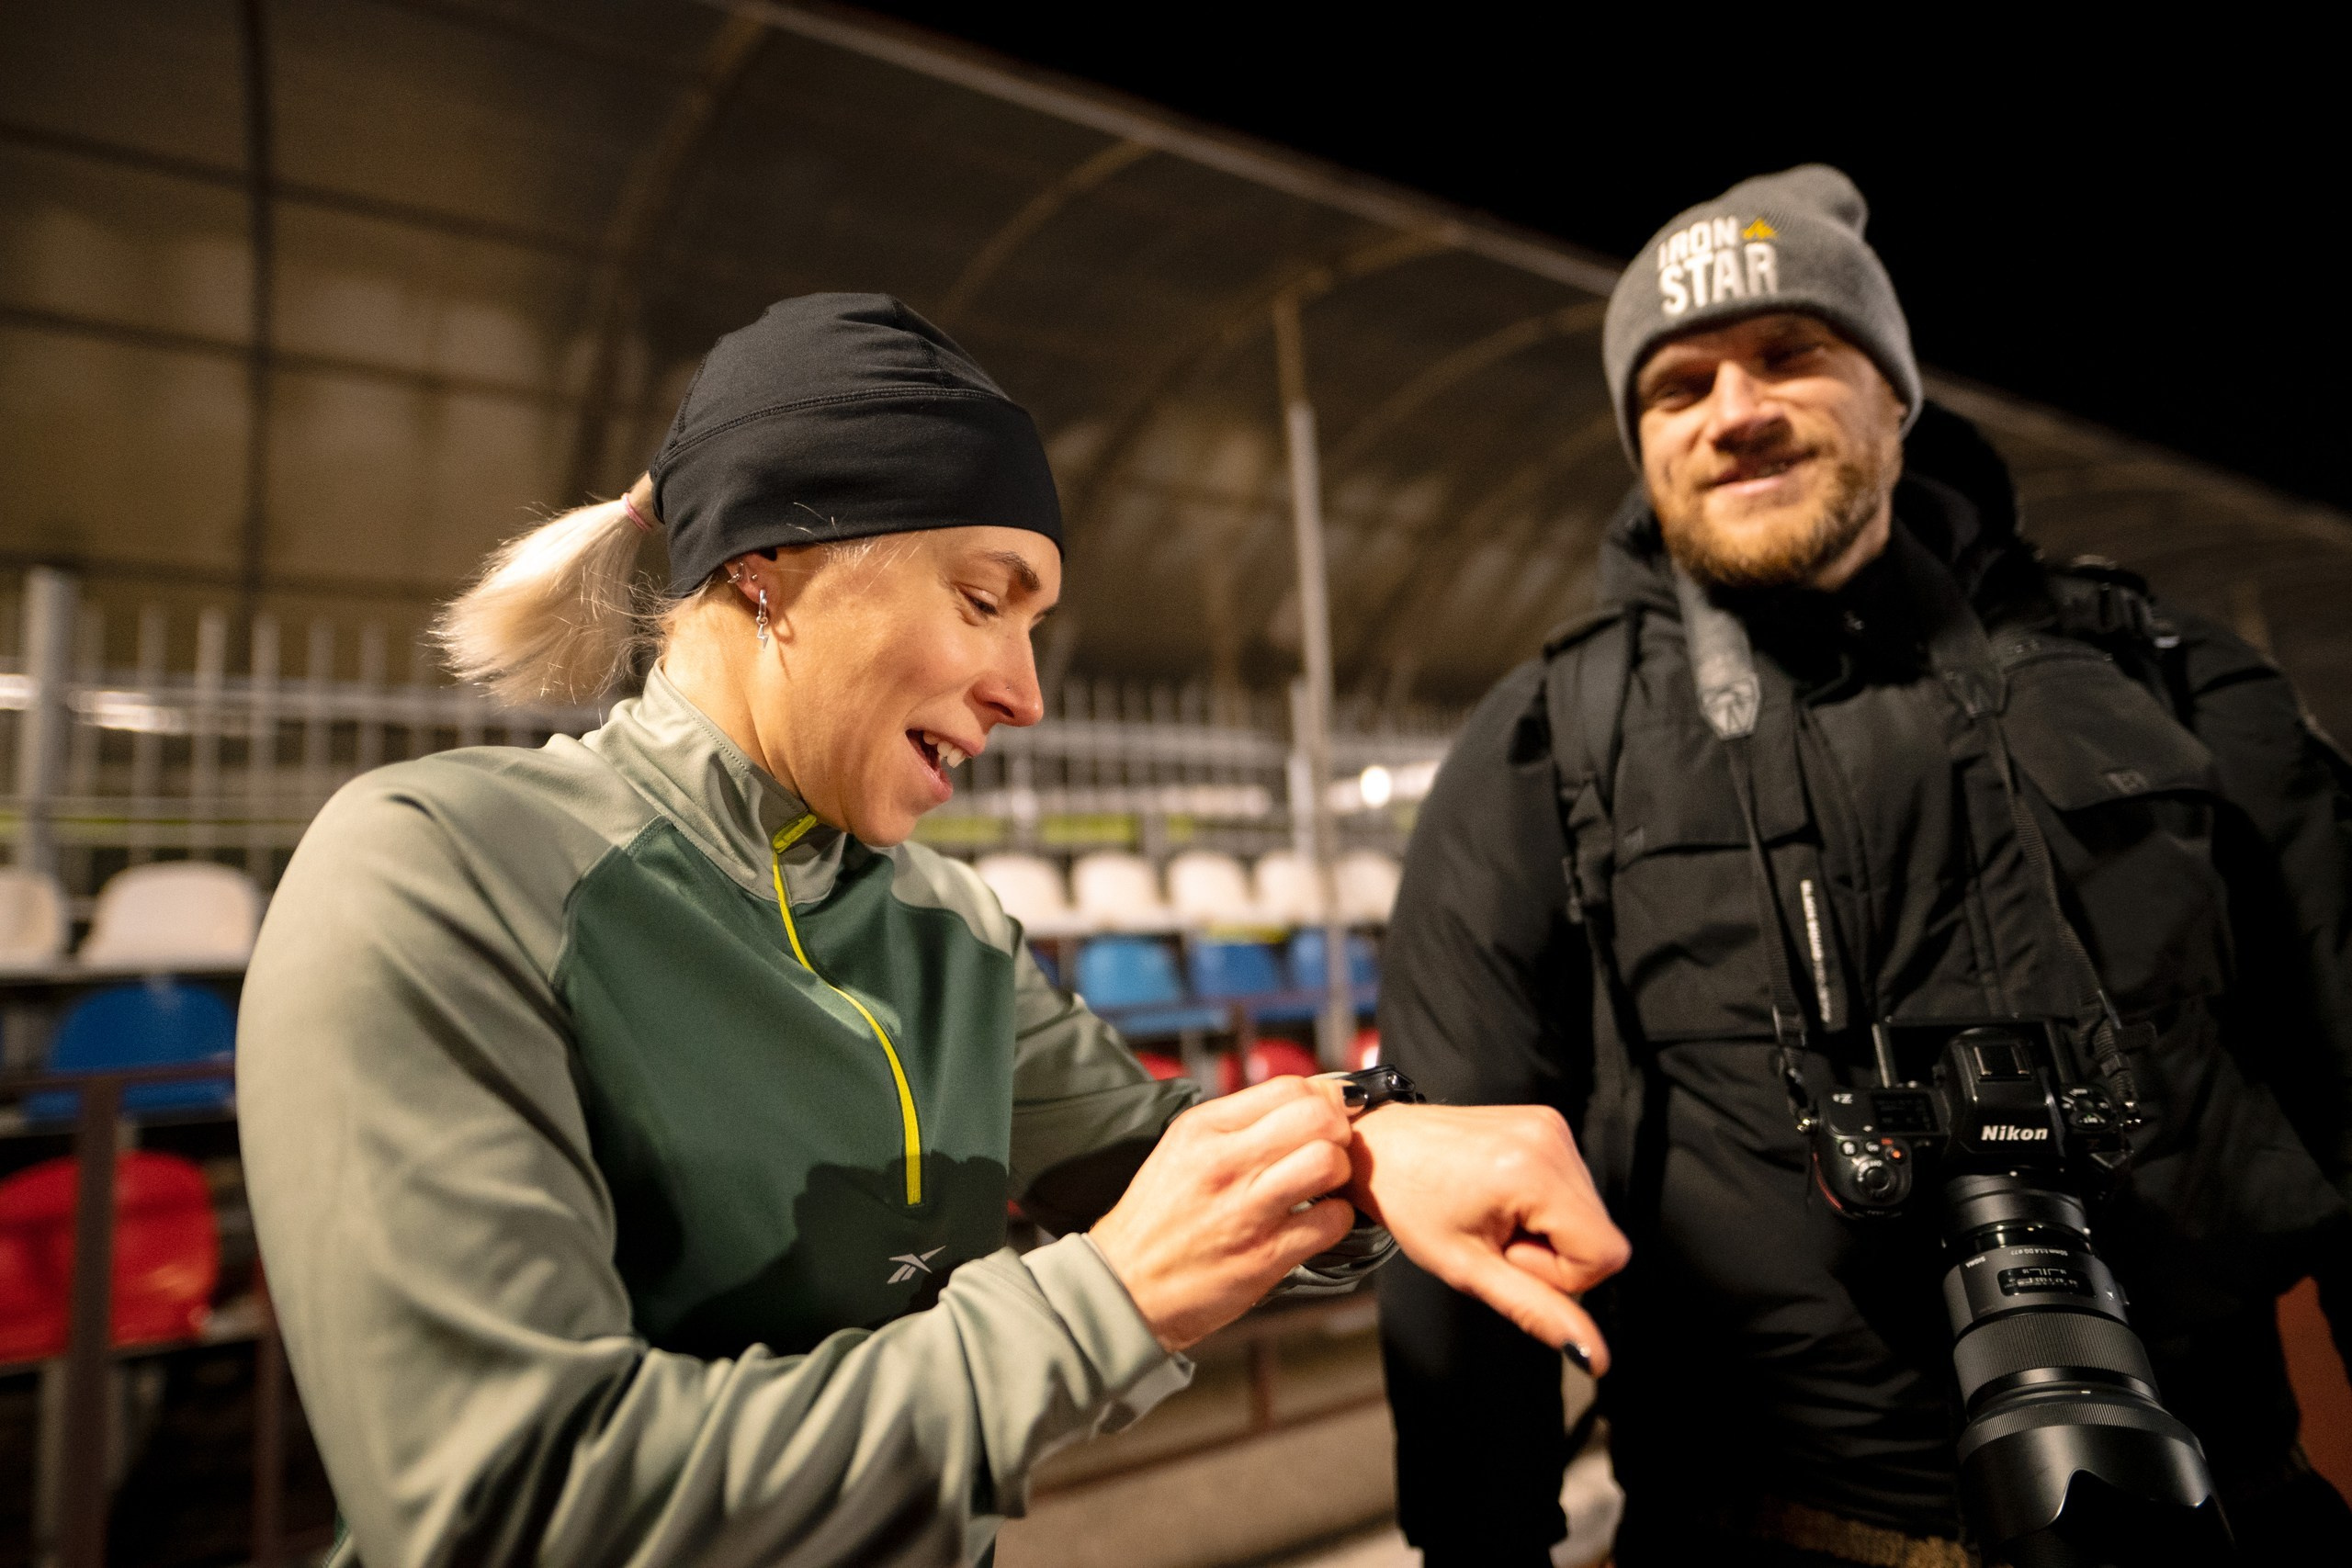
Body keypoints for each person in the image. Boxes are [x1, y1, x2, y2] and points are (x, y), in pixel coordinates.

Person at [239, 293, 1628, 1568]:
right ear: (771, 567)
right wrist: (1102, 1308)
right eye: (982, 600)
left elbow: (1149, 1156)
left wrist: (1370, 1144)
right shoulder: (437, 873)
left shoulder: (943, 924)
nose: (1027, 693)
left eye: (1036, 624)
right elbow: (503, 1503)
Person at [1377, 166, 2352, 1565]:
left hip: (2233, 1507)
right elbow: (1461, 1200)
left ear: (1894, 393)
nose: (1735, 410)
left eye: (1790, 355)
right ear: (1642, 443)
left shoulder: (2170, 681)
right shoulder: (1546, 744)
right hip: (1778, 1530)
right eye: (1678, 386)